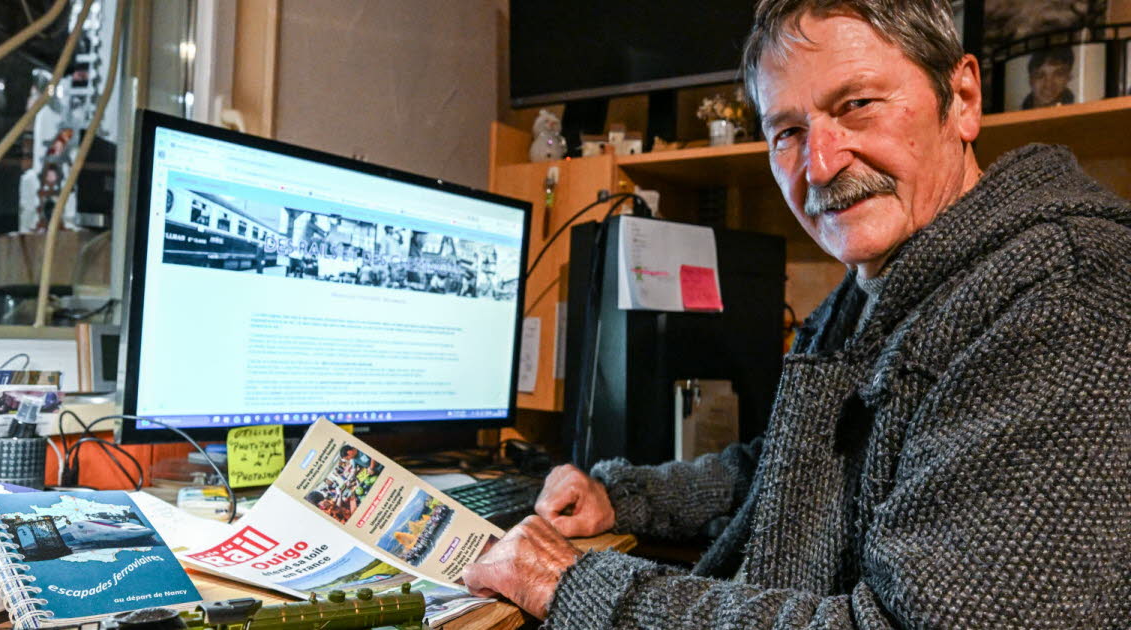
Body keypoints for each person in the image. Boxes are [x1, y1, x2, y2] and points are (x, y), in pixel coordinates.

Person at [462, 0, 1131, 627]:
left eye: (859, 104)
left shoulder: (1068, 296)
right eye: (787, 132)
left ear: (961, 98)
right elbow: (798, 470)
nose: (818, 164)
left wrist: (580, 589)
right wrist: (626, 497)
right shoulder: (889, 280)